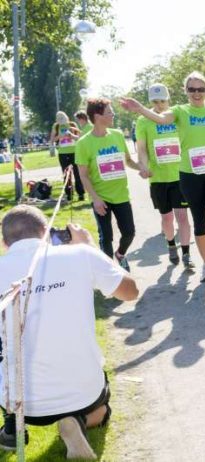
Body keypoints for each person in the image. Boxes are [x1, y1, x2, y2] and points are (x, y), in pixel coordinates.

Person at [0, 205, 139, 458]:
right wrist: (89, 246)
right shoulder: (81, 254)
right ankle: (81, 420)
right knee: (100, 410)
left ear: (4, 242)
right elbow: (131, 292)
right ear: (46, 231)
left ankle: (11, 426)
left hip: (20, 403)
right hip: (82, 393)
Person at [120, 71, 205, 282]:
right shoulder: (180, 111)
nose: (197, 93)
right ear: (185, 91)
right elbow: (162, 119)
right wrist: (141, 109)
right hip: (190, 175)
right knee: (199, 221)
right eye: (192, 89)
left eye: (201, 89)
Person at [76, 98, 140, 271]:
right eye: (110, 112)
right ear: (97, 116)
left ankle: (120, 254)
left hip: (121, 195)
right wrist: (95, 199)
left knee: (129, 232)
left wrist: (141, 167)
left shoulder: (117, 135)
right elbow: (83, 175)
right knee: (106, 237)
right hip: (100, 197)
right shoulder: (83, 143)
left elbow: (127, 160)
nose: (113, 115)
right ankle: (110, 271)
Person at [134, 83, 193, 268]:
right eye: (155, 101)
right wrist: (143, 165)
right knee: (167, 218)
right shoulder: (143, 120)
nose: (159, 105)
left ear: (168, 99)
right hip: (158, 178)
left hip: (180, 175)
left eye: (162, 101)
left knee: (182, 216)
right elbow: (142, 148)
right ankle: (171, 245)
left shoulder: (177, 116)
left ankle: (186, 254)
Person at [49, 111, 84, 201]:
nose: (61, 119)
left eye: (62, 117)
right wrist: (59, 136)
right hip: (62, 153)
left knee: (77, 173)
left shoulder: (72, 124)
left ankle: (81, 194)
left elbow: (80, 137)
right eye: (59, 118)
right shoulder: (56, 126)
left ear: (66, 117)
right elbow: (52, 140)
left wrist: (71, 136)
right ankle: (69, 195)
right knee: (66, 175)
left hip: (74, 152)